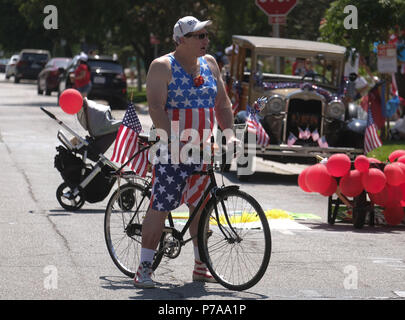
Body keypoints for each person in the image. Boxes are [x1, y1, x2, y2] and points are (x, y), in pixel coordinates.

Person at [134, 16, 237, 288]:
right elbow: (156, 108)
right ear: (181, 40)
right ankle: (144, 268)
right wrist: (174, 141)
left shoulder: (211, 63)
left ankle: (200, 266)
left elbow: (223, 104)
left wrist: (230, 135)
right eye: (199, 36)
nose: (206, 40)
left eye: (206, 35)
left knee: (201, 208)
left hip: (202, 150)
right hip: (172, 151)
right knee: (160, 206)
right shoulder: (162, 66)